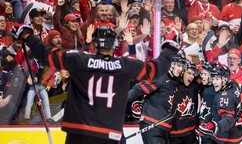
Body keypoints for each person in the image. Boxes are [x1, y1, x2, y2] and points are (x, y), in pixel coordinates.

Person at [15, 25, 180, 143]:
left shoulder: (79, 59)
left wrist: (28, 36)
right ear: (114, 44)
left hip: (78, 130)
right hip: (109, 132)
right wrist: (169, 49)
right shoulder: (125, 64)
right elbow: (154, 70)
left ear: (94, 42)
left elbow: (47, 54)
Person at [127, 52, 187, 144]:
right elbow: (138, 90)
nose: (180, 69)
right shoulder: (160, 77)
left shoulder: (178, 82)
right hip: (152, 125)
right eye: (178, 65)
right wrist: (119, 101)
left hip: (165, 128)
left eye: (182, 66)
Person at [199, 64, 242, 144]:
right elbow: (235, 102)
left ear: (225, 79)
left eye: (217, 79)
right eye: (213, 79)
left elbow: (228, 119)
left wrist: (216, 126)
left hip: (226, 137)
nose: (214, 82)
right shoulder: (233, 84)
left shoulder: (222, 97)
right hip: (237, 133)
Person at [169, 61, 200, 144]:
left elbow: (206, 75)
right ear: (182, 72)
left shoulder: (194, 85)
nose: (191, 76)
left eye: (193, 74)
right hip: (173, 134)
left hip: (190, 132)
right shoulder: (172, 85)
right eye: (189, 73)